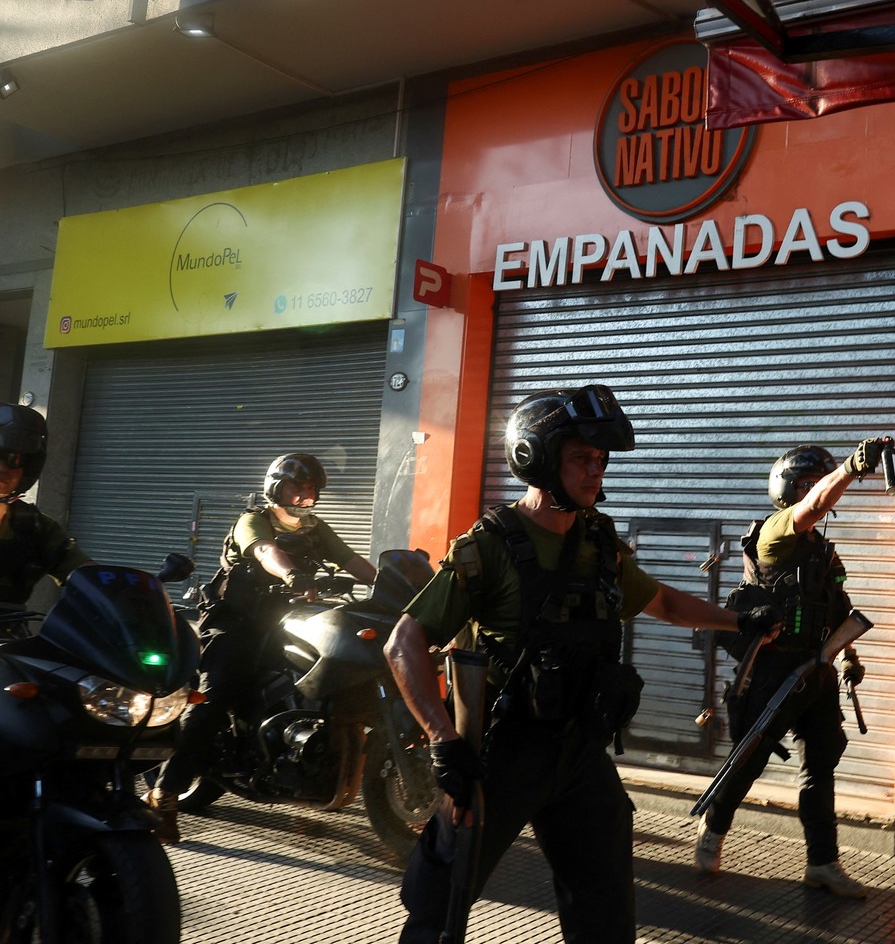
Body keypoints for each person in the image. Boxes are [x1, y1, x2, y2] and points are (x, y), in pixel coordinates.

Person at [384, 384, 778, 944]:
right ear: (536, 458)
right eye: (581, 458)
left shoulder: (599, 541)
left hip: (578, 752)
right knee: (440, 901)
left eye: (600, 460)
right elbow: (404, 643)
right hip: (501, 754)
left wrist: (741, 622)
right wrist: (444, 742)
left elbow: (661, 601)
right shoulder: (490, 546)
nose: (596, 471)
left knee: (605, 907)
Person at [692, 437, 894, 899]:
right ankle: (714, 828)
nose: (818, 491)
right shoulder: (776, 533)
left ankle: (822, 863)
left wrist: (848, 656)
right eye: (808, 484)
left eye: (818, 482)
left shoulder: (822, 551)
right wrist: (848, 469)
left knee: (820, 768)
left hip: (816, 673)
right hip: (770, 675)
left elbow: (837, 606)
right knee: (747, 763)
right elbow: (818, 501)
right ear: (787, 492)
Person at [147, 452, 377, 843]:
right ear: (275, 488)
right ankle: (164, 795)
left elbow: (352, 559)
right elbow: (267, 552)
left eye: (310, 491)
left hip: (287, 621)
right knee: (215, 697)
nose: (303, 498)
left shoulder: (316, 529)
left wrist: (390, 584)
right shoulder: (253, 520)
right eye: (296, 488)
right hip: (237, 623)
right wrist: (291, 573)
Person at [0, 403, 89, 620]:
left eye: (14, 459)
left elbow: (89, 576)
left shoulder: (35, 528)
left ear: (29, 467)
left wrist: (130, 597)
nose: (2, 467)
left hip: (8, 644)